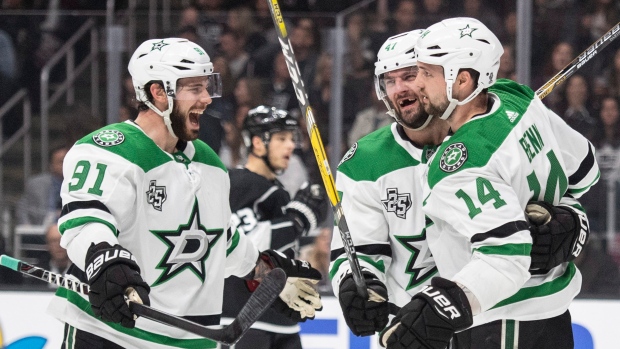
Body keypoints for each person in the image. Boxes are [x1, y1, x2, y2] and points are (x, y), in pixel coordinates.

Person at [47, 38, 323, 349]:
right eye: (194, 88)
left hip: (188, 340)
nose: (207, 98)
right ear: (158, 92)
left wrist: (267, 272)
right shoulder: (110, 148)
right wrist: (105, 261)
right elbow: (85, 221)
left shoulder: (209, 162)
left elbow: (221, 241)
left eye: (207, 86)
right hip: (110, 333)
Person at [330, 28, 592, 344]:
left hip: (496, 316)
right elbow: (355, 250)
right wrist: (356, 285)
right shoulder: (364, 163)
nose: (400, 89)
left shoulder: (485, 139)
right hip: (415, 330)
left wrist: (573, 221)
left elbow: (566, 184)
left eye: (413, 75)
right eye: (389, 80)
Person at [222, 105, 327, 349]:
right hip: (244, 321)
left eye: (291, 139)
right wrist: (297, 221)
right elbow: (245, 245)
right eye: (281, 139)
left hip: (283, 321)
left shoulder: (278, 192)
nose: (290, 146)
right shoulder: (237, 183)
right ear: (257, 143)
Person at [17, 146, 68, 225]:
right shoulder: (36, 184)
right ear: (51, 165)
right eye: (61, 161)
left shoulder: (83, 184)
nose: (66, 164)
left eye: (68, 161)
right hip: (40, 231)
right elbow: (22, 209)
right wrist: (27, 227)